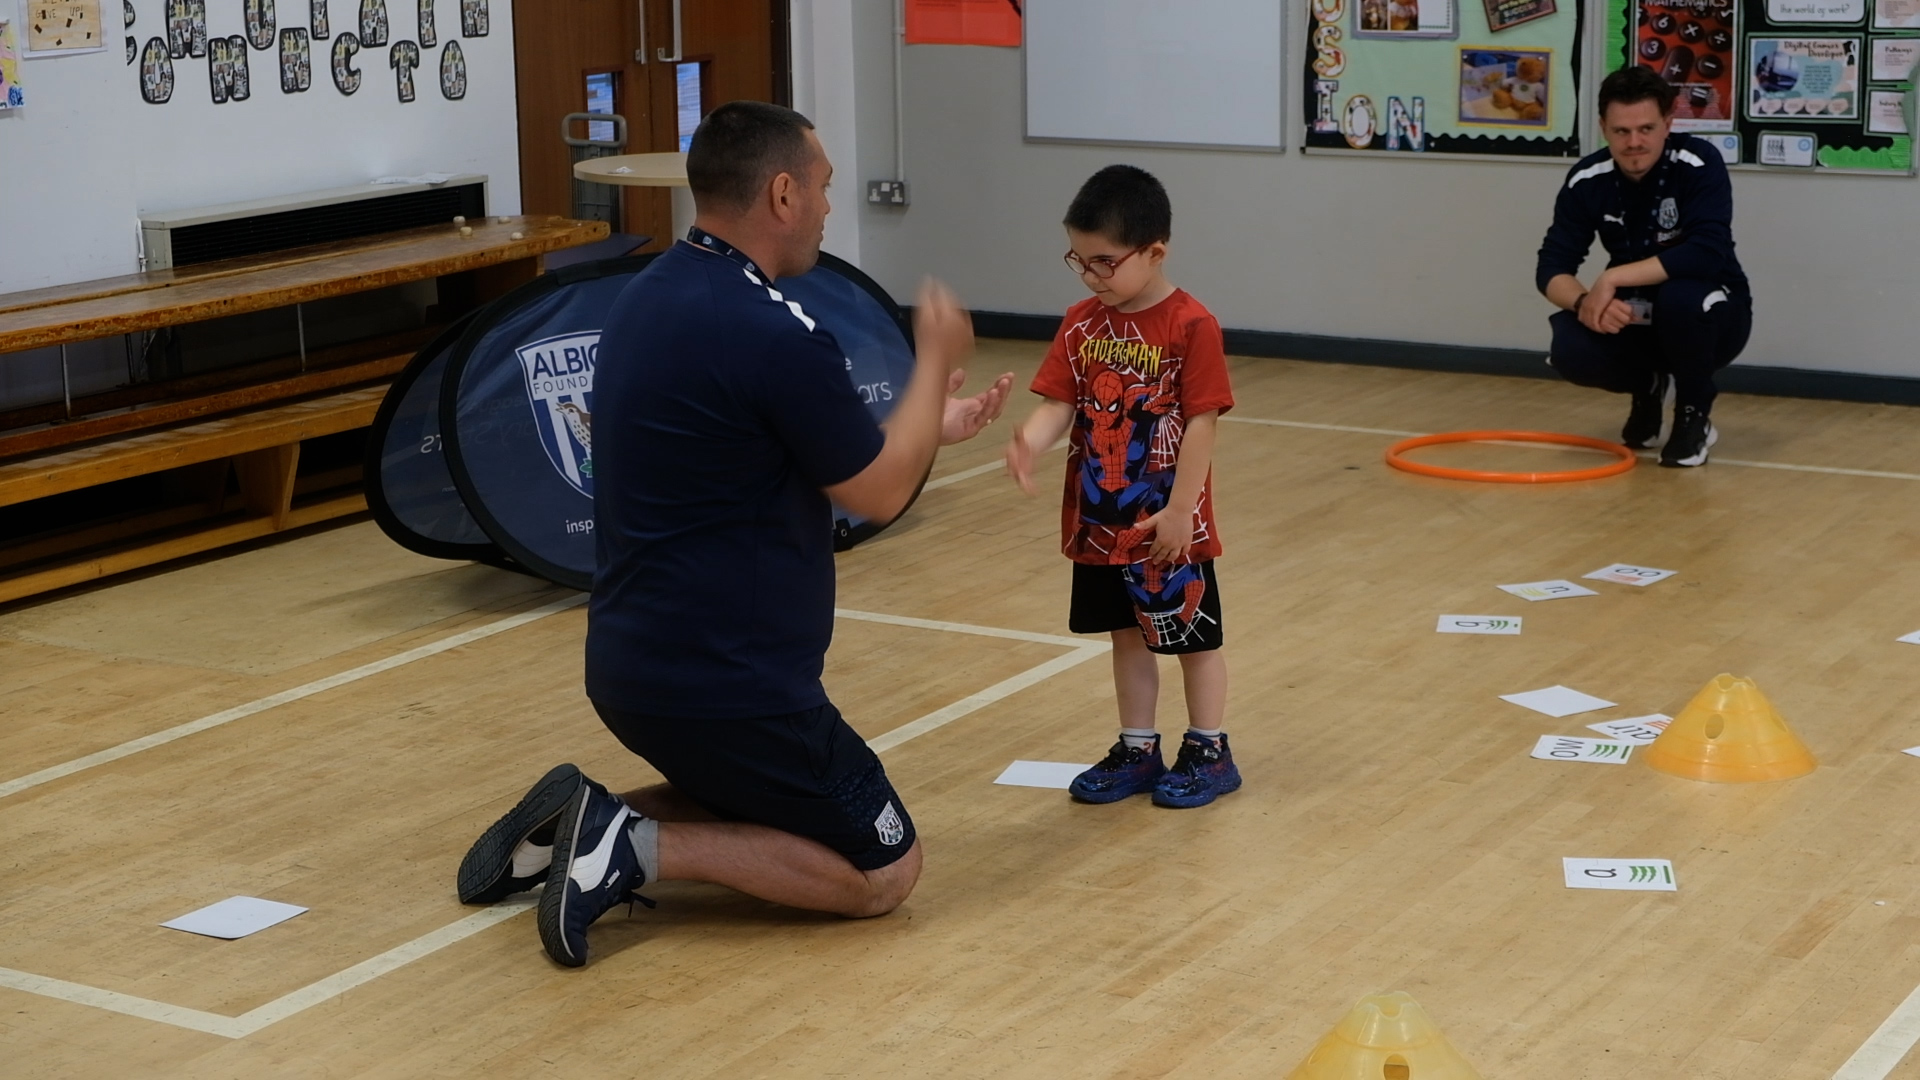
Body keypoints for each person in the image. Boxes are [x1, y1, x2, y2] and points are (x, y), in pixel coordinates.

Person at [454, 101, 1013, 968]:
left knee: (763, 799)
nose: (830, 208)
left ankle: (573, 821)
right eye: (823, 187)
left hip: (636, 666)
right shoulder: (773, 331)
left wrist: (919, 422)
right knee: (884, 870)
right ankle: (626, 844)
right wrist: (932, 353)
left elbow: (775, 437)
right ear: (783, 193)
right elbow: (876, 491)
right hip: (735, 688)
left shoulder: (652, 294)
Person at [1003, 165, 1239, 809]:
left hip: (1168, 524)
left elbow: (1201, 424)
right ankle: (1138, 748)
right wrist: (1030, 439)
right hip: (1101, 523)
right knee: (1125, 635)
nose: (1089, 276)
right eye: (1078, 261)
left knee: (1193, 638)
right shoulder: (1082, 323)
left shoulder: (1192, 325)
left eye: (1105, 262)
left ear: (1154, 251)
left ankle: (1209, 749)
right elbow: (1060, 402)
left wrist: (1181, 513)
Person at [1535, 65, 1752, 468]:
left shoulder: (1699, 162)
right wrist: (1585, 302)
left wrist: (1612, 277)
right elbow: (1551, 267)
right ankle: (1649, 386)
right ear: (1603, 127)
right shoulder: (1587, 179)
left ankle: (1693, 411)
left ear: (1668, 123)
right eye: (1621, 131)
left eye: (1647, 129)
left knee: (1681, 298)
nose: (1634, 142)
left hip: (1714, 313)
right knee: (1569, 346)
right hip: (1637, 315)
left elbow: (1706, 251)